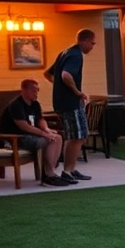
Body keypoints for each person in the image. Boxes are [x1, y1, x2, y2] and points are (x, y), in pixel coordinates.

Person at [44, 28, 95, 184]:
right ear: (84, 41)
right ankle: (67, 171)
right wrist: (77, 92)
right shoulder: (75, 55)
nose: (92, 47)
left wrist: (59, 87)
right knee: (76, 136)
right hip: (70, 103)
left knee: (80, 134)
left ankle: (71, 169)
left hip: (63, 101)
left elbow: (48, 74)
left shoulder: (65, 52)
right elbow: (66, 75)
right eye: (92, 43)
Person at [0, 78, 67, 186]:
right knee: (49, 140)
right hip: (14, 138)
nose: (36, 92)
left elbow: (40, 120)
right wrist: (44, 134)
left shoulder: (35, 104)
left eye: (37, 90)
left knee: (58, 137)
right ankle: (48, 175)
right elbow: (24, 126)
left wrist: (47, 129)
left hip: (29, 135)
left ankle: (50, 172)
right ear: (24, 90)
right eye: (34, 90)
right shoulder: (16, 105)